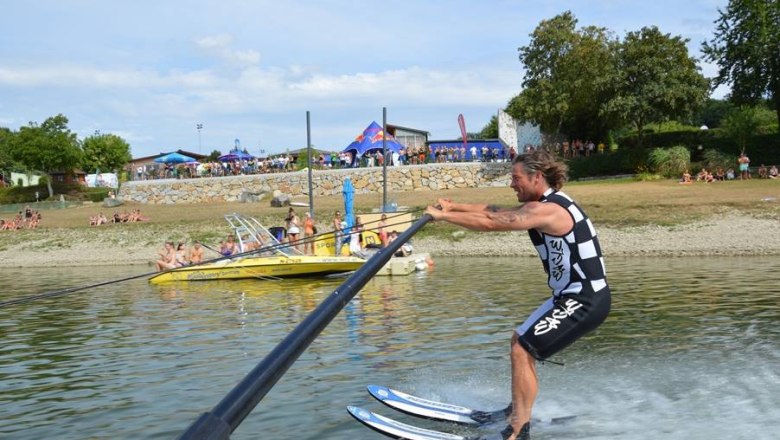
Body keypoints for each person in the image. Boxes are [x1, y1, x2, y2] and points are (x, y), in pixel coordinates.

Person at [425, 150, 611, 440]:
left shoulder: (550, 210)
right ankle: (517, 411)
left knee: (523, 349)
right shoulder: (542, 204)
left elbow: (493, 222)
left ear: (537, 177)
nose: (512, 184)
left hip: (586, 298)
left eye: (516, 178)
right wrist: (454, 206)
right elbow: (494, 210)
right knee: (519, 340)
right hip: (570, 296)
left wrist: (444, 217)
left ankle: (518, 430)